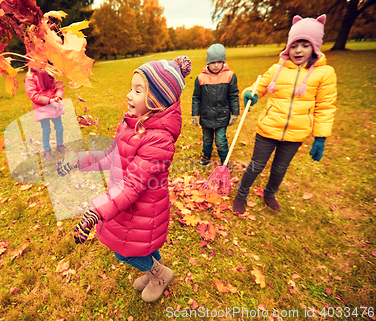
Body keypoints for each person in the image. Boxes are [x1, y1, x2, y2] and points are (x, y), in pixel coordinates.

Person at [57, 56, 192, 302]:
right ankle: (154, 270)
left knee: (124, 251)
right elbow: (112, 158)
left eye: (138, 90)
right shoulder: (133, 124)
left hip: (140, 208)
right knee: (142, 246)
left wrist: (96, 212)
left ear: (156, 102)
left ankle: (159, 274)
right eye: (131, 88)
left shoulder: (158, 139)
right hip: (124, 204)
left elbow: (132, 187)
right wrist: (78, 160)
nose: (129, 95)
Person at [232, 14, 337, 214]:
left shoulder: (325, 74)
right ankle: (241, 195)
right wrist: (250, 94)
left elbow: (325, 106)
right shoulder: (277, 69)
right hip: (268, 128)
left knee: (280, 168)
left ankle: (270, 193)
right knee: (256, 165)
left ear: (315, 47)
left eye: (305, 45)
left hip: (295, 133)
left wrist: (320, 137)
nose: (299, 50)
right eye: (295, 44)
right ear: (289, 46)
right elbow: (259, 86)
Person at [192, 43, 240, 167]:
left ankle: (224, 159)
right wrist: (195, 114)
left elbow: (233, 95)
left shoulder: (230, 76)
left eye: (219, 61)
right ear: (208, 62)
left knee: (221, 140)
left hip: (222, 115)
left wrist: (235, 112)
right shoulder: (201, 78)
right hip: (206, 115)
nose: (216, 65)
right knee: (207, 139)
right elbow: (196, 97)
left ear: (223, 61)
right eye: (213, 62)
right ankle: (206, 155)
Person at [24, 66, 66, 160]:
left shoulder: (48, 72)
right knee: (46, 129)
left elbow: (58, 87)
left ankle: (60, 145)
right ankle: (47, 150)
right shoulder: (30, 77)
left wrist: (58, 97)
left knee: (59, 127)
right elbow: (33, 95)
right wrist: (49, 101)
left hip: (55, 107)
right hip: (42, 108)